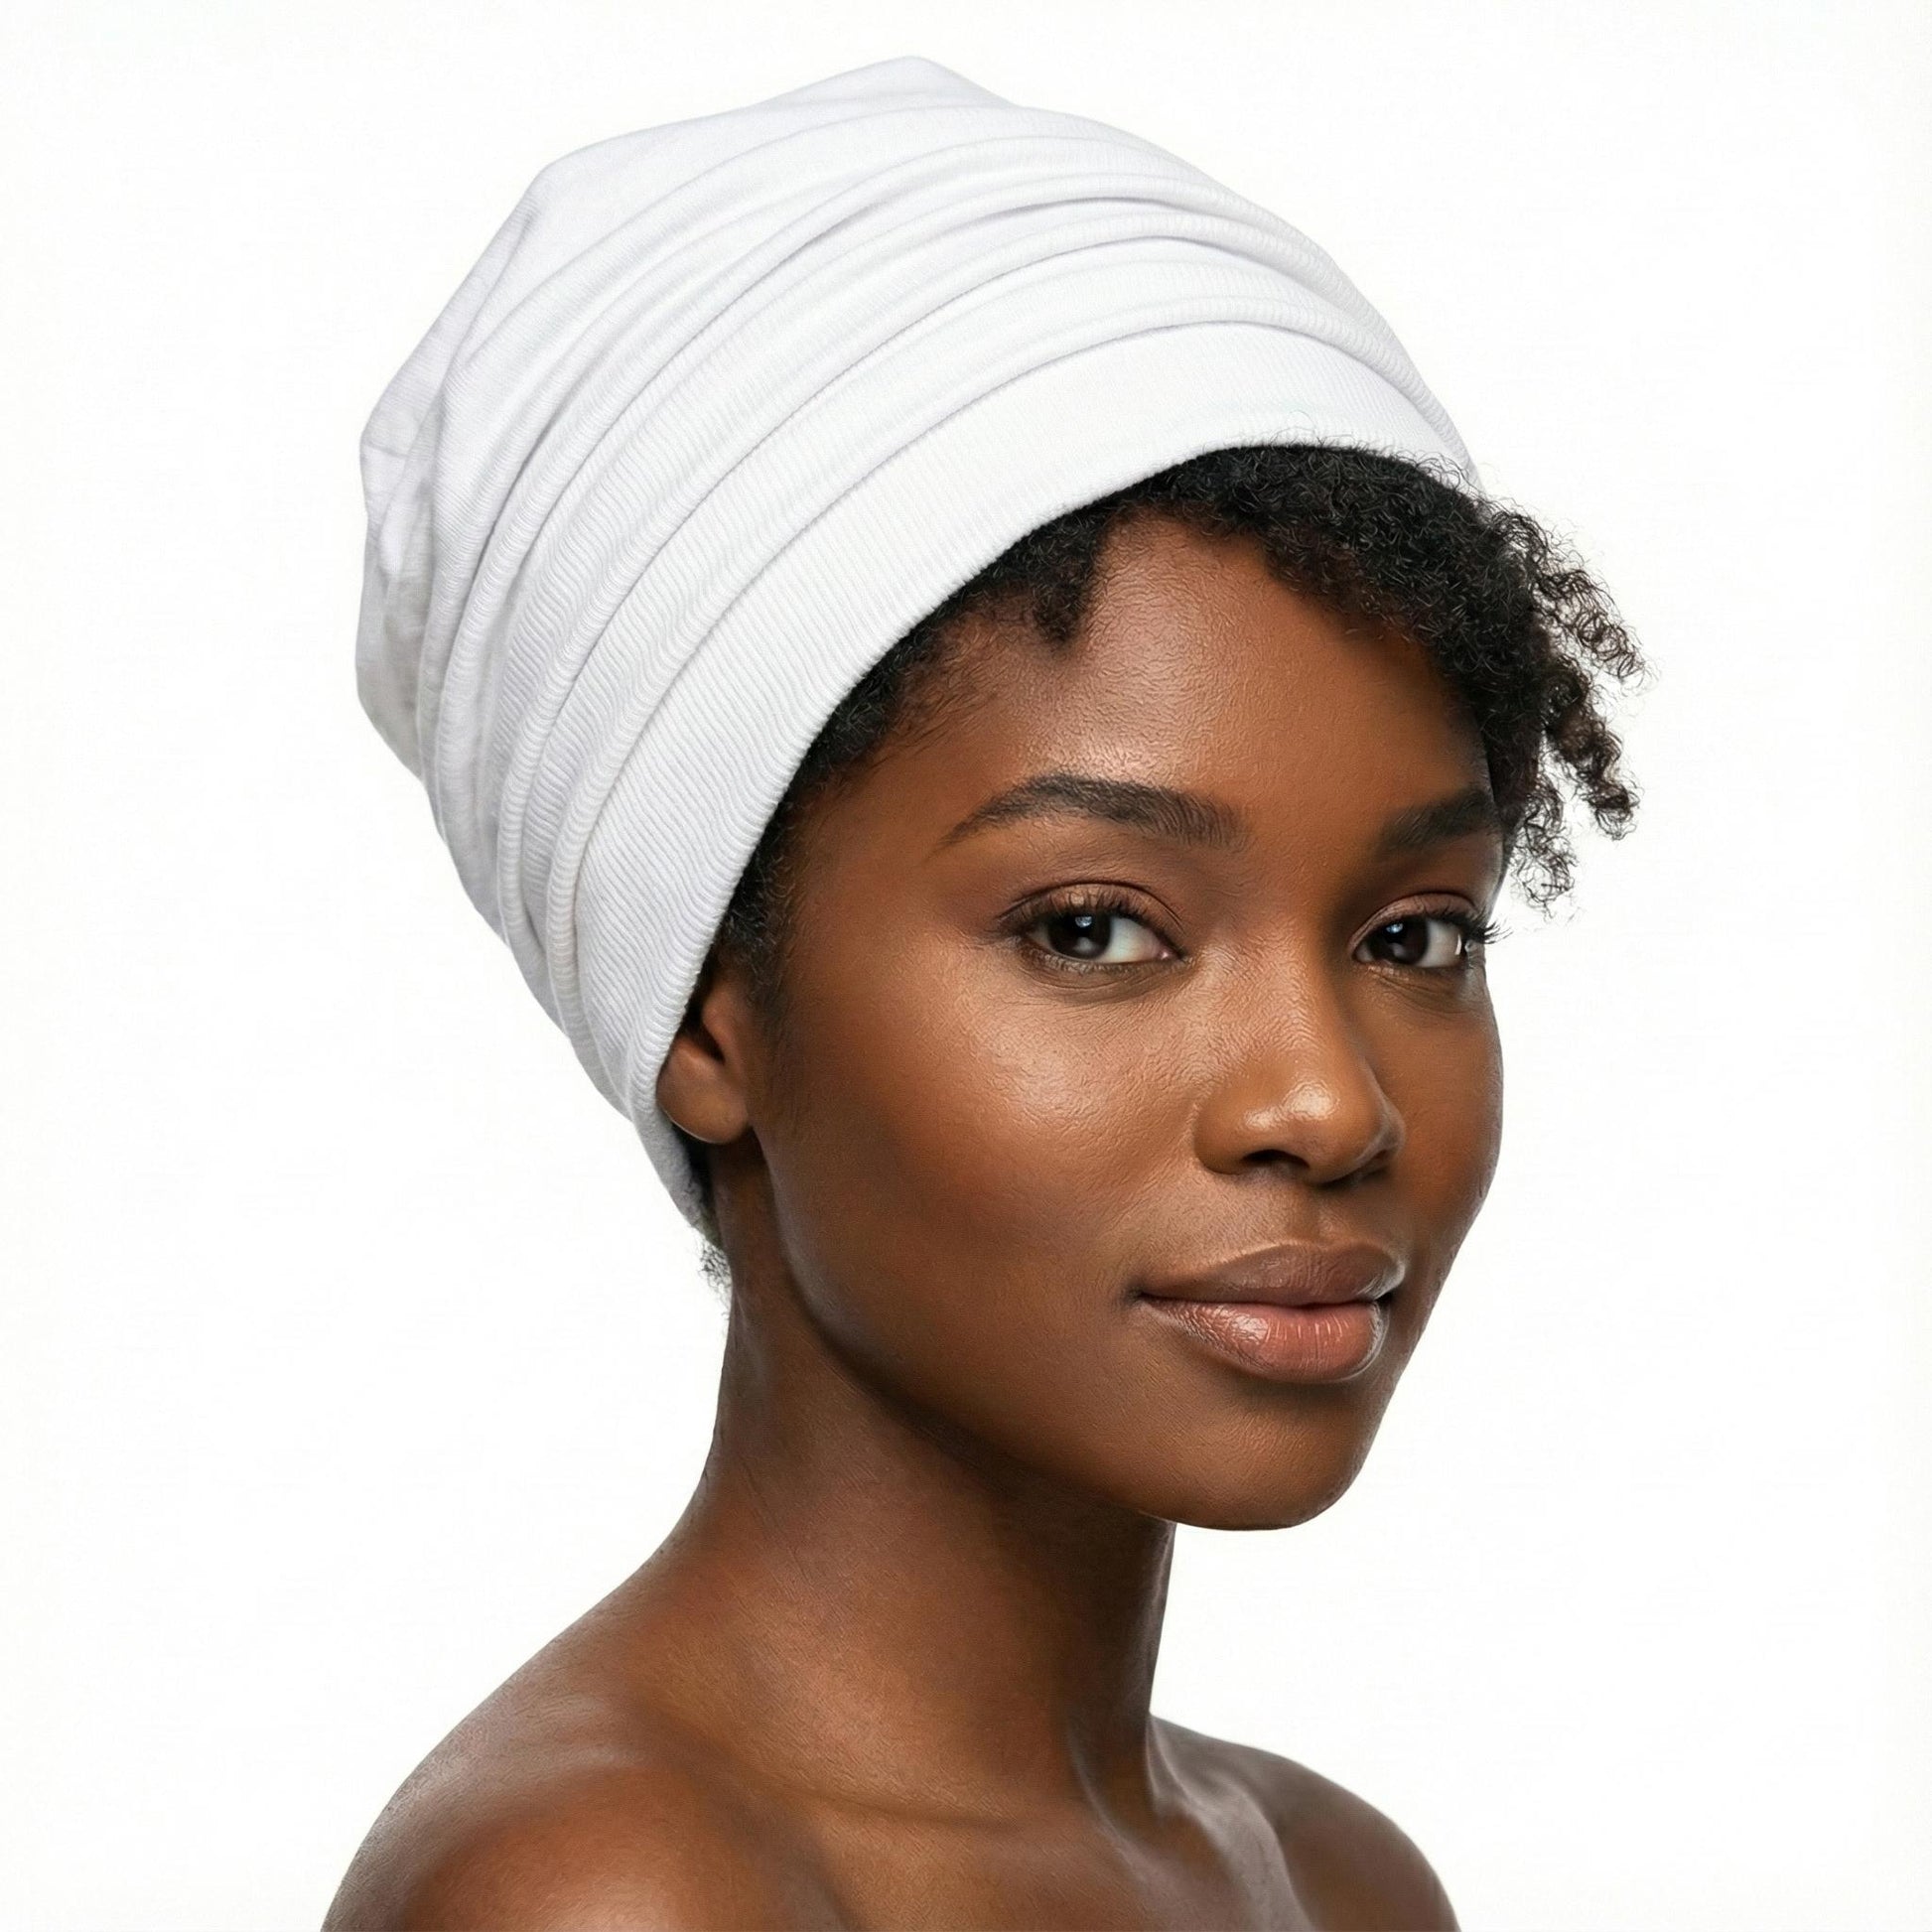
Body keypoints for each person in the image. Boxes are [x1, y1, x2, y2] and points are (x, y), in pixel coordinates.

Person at [326, 57, 1643, 1930]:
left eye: (1412, 934)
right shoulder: (620, 1895)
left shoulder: (1341, 1882)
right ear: (710, 1015)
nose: (1329, 1102)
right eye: (1095, 927)